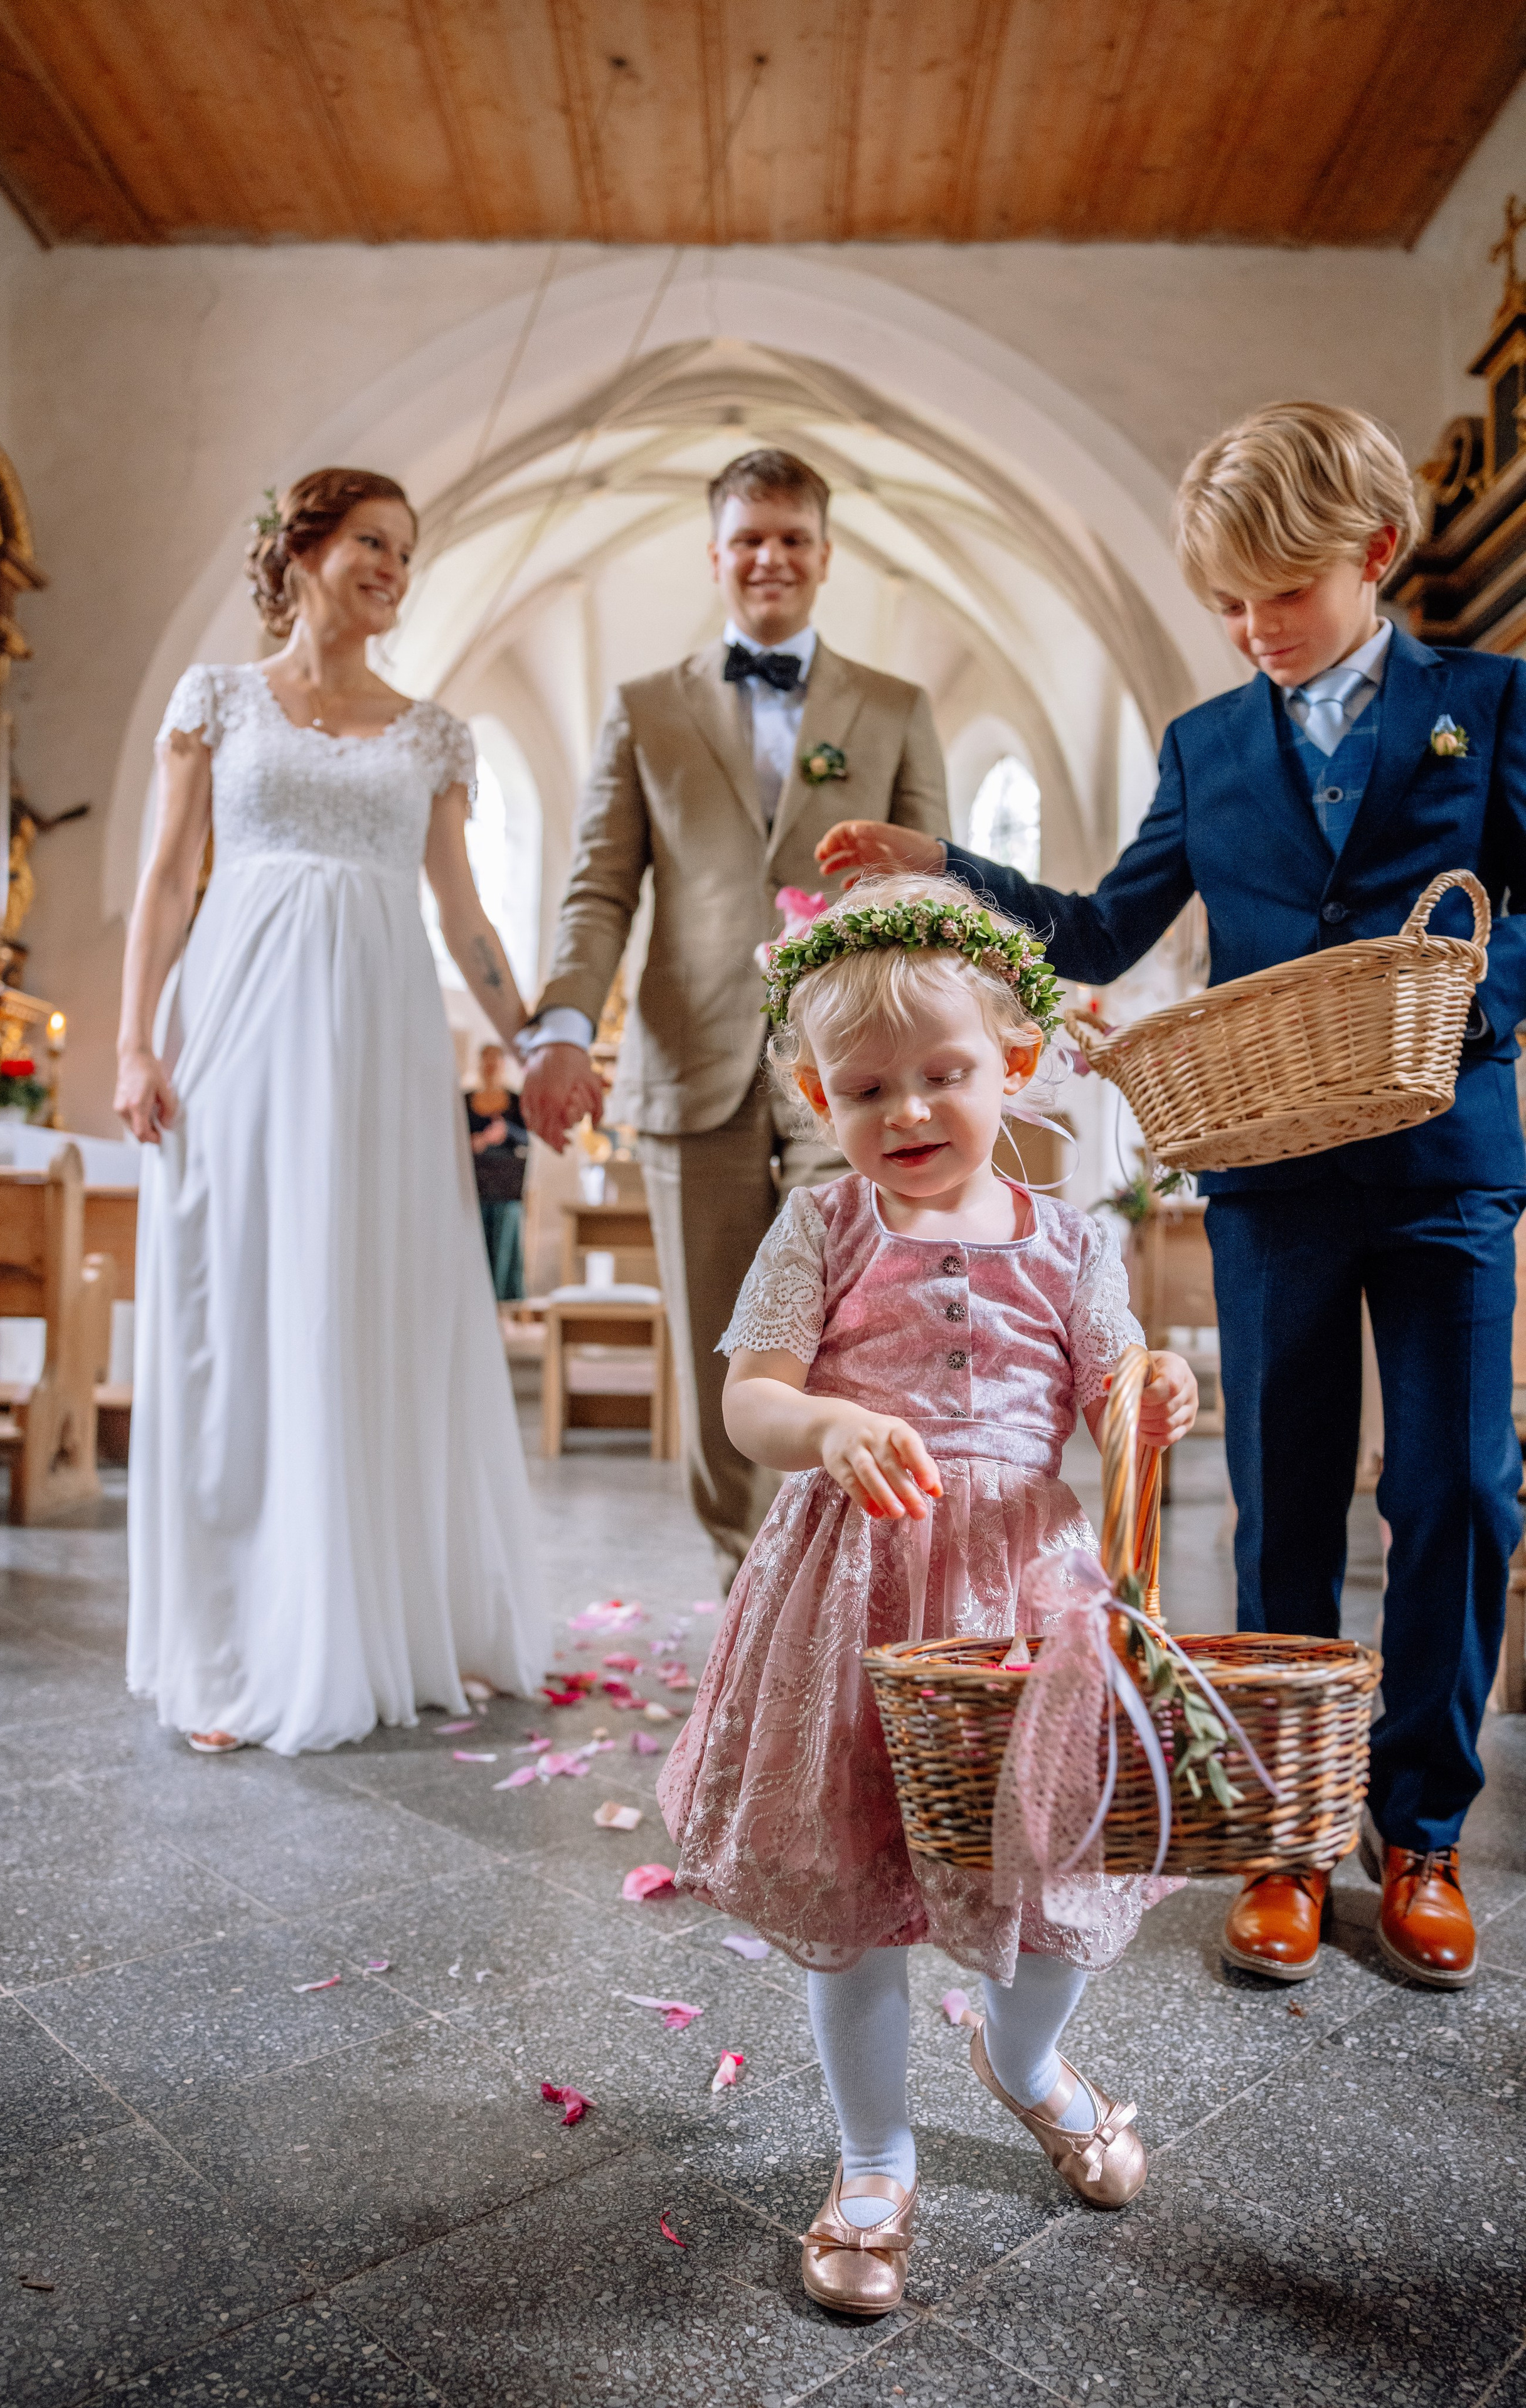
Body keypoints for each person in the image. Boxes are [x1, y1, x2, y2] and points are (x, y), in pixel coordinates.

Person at [814, 402, 1526, 1991]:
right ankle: (1277, 1833)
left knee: (1456, 1493)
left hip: (1439, 1156)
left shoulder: (1487, 704)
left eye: (1278, 593)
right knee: (1272, 1505)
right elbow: (1093, 927)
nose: (1250, 629)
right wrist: (942, 861)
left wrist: (1469, 990)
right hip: (1266, 1166)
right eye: (1225, 602)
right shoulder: (1205, 746)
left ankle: (1415, 1830)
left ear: (1374, 555)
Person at [659, 876, 1198, 2316]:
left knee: (1050, 1856)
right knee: (857, 1881)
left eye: (942, 1074)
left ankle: (1022, 2060)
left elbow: (1102, 1385)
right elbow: (748, 1399)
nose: (905, 1111)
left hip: (1023, 1591)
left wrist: (1145, 1395)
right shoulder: (822, 1225)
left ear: (1014, 1064)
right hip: (856, 1588)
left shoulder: (1071, 1237)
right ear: (810, 1090)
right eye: (864, 1086)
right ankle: (874, 2154)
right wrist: (825, 1426)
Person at [117, 467, 549, 1755]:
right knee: (234, 1306)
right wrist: (136, 1041)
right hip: (233, 1031)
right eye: (372, 541)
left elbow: (464, 917)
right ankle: (239, 1636)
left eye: (406, 554)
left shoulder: (431, 732)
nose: (391, 570)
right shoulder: (214, 702)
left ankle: (370, 1613)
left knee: (364, 1301)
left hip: (374, 1044)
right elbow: (161, 881)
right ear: (301, 548)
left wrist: (536, 1044)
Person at [520, 448, 951, 1591]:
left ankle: (849, 1579)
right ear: (715, 557)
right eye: (749, 537)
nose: (771, 556)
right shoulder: (644, 709)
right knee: (721, 1342)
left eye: (793, 537)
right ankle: (743, 1589)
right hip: (688, 1060)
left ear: (825, 556)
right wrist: (561, 1023)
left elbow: (933, 897)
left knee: (858, 1324)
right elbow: (599, 890)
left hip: (856, 1069)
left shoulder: (898, 709)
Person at [466, 1042, 529, 1301]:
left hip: (506, 1184)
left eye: (496, 1061)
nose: (491, 1068)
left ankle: (502, 1304)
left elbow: (526, 1138)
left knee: (504, 1249)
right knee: (474, 1245)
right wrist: (475, 1141)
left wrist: (506, 1132)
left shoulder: (515, 1101)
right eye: (486, 1061)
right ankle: (475, 1302)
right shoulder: (465, 1100)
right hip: (474, 1185)